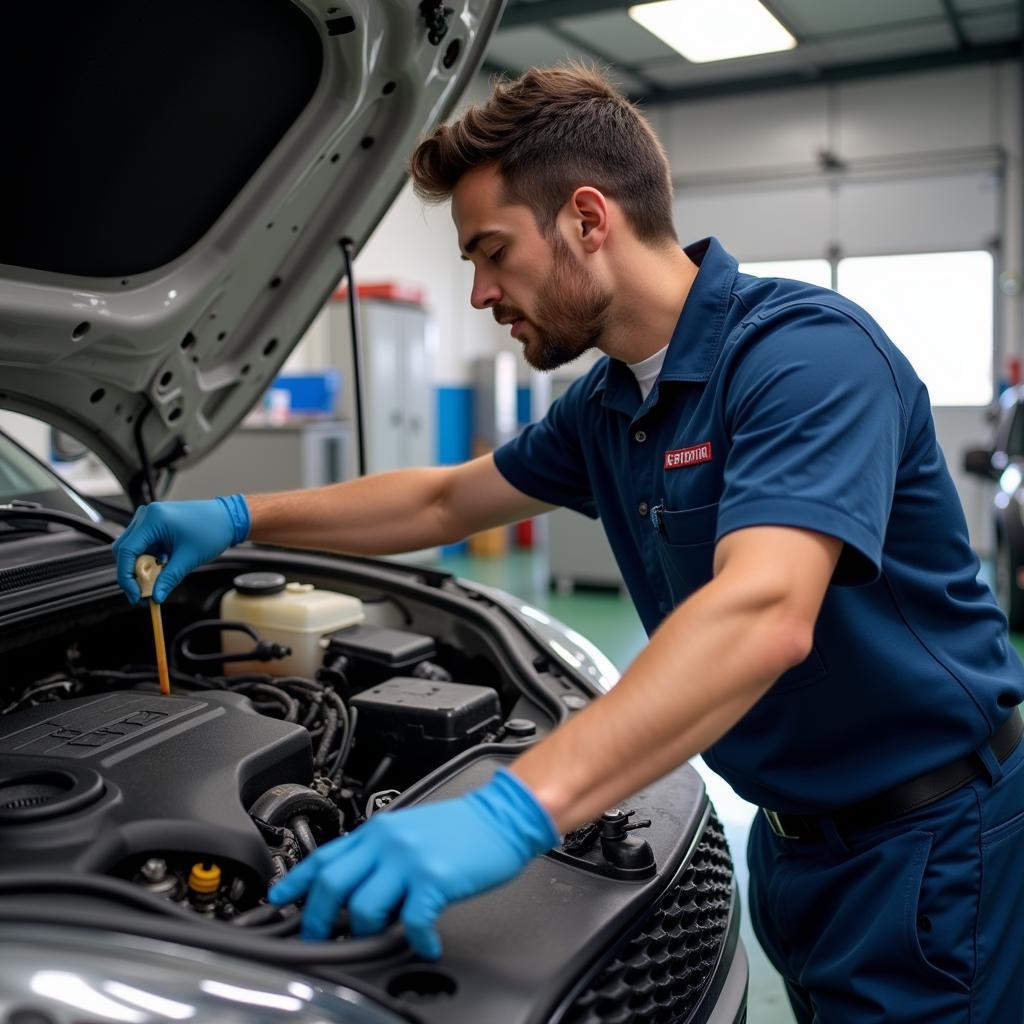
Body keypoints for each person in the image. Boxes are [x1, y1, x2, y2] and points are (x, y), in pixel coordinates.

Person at [112, 64, 1024, 1022]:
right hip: (798, 844)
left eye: (492, 252)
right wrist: (240, 517)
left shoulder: (804, 357)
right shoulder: (613, 401)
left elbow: (764, 612)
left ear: (588, 219)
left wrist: (516, 809)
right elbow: (439, 503)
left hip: (931, 842)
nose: (477, 293)